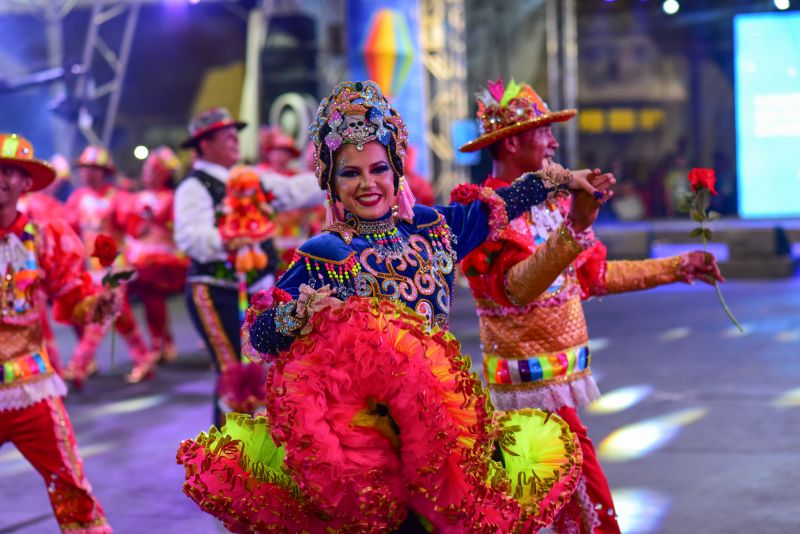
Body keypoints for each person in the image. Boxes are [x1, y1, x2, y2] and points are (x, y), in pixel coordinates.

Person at [177, 80, 615, 532]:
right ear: (331, 181)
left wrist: (563, 180)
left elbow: (502, 203)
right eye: (351, 173)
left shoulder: (433, 229)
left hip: (444, 432)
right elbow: (259, 336)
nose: (368, 184)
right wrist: (301, 312)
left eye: (379, 169)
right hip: (364, 451)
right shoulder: (326, 253)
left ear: (396, 172)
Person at [458, 78, 724, 534]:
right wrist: (575, 226)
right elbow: (517, 288)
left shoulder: (554, 204)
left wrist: (677, 266)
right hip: (524, 404)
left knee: (562, 517)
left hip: (558, 397)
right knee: (579, 514)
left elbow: (593, 277)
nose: (555, 142)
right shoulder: (483, 210)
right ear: (515, 140)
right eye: (545, 131)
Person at [175, 107, 325, 426]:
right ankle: (228, 455)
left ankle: (256, 446)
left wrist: (337, 174)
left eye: (235, 134)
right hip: (218, 292)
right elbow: (189, 237)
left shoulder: (252, 179)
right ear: (204, 144)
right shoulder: (194, 187)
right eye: (225, 135)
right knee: (234, 372)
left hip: (258, 291)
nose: (234, 140)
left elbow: (293, 190)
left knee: (261, 368)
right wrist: (229, 239)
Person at [0, 133, 113, 533]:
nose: (1, 178)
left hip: (31, 388)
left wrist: (95, 304)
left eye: (10, 171)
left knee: (73, 489)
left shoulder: (45, 237)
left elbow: (71, 295)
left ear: (26, 183)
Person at [63, 146, 155, 386]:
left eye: (93, 169)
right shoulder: (78, 199)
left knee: (100, 315)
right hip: (88, 268)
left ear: (104, 172)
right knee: (121, 316)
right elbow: (69, 231)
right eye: (85, 169)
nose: (88, 174)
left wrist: (141, 216)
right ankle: (144, 359)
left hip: (114, 269)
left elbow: (133, 226)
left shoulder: (117, 198)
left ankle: (79, 364)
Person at [122, 146, 188, 362]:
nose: (147, 175)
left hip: (164, 256)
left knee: (156, 299)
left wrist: (157, 221)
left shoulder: (171, 198)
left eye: (153, 171)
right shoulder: (137, 197)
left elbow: (177, 226)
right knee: (149, 300)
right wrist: (138, 226)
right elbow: (130, 226)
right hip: (140, 256)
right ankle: (158, 341)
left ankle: (162, 341)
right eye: (146, 170)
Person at [257, 125, 325, 262]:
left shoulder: (299, 177)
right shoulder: (259, 174)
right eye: (277, 150)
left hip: (296, 237)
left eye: (286, 151)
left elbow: (313, 209)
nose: (281, 155)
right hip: (267, 237)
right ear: (269, 152)